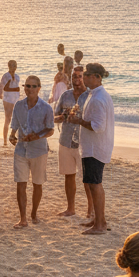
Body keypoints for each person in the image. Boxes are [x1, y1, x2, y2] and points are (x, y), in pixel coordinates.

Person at [69, 62, 114, 235]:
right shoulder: (94, 94)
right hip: (91, 147)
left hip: (96, 148)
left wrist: (78, 121)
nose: (84, 77)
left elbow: (98, 126)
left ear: (97, 77)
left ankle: (100, 224)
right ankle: (98, 220)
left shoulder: (98, 98)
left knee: (95, 185)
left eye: (87, 75)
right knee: (91, 183)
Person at [8, 75, 54, 228]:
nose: (30, 89)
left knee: (37, 184)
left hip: (39, 151)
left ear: (39, 88)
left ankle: (34, 212)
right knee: (20, 184)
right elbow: (14, 125)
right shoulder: (18, 105)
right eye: (27, 86)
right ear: (24, 88)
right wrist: (12, 136)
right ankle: (23, 219)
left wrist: (37, 136)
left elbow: (50, 130)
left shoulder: (46, 108)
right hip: (21, 149)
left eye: (34, 86)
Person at [54, 66, 90, 218]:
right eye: (74, 76)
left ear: (85, 78)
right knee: (68, 176)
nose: (77, 79)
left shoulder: (90, 96)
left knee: (88, 179)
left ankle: (91, 210)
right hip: (66, 140)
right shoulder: (65, 95)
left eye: (80, 76)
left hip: (84, 143)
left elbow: (95, 120)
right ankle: (70, 208)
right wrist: (62, 117)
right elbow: (55, 116)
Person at [0, 60, 21, 146]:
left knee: (17, 118)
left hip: (15, 98)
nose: (13, 67)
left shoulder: (17, 76)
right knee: (8, 119)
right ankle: (5, 141)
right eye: (12, 65)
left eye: (14, 65)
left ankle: (17, 138)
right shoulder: (6, 76)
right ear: (8, 66)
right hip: (8, 99)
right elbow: (5, 88)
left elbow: (17, 87)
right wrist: (15, 89)